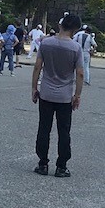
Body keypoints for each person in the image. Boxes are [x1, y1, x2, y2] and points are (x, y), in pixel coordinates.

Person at [31, 14, 84, 178]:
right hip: (65, 95)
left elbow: (37, 67)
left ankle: (42, 163)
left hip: (46, 92)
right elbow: (80, 73)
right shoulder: (75, 48)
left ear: (60, 26)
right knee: (64, 131)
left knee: (44, 128)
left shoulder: (46, 43)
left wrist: (34, 87)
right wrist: (77, 95)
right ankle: (61, 166)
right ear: (75, 29)